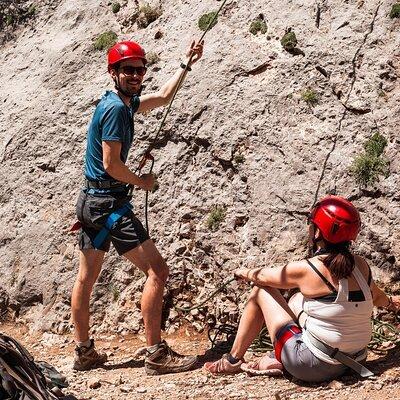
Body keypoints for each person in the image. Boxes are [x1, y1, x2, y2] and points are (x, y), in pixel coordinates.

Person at [71, 39, 204, 374]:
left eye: (139, 69)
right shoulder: (117, 109)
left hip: (91, 201)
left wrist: (186, 62)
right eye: (127, 69)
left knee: (86, 278)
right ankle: (156, 354)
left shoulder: (119, 103)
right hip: (109, 204)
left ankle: (84, 351)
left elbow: (163, 98)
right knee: (157, 271)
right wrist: (141, 181)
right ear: (113, 72)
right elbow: (112, 164)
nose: (134, 75)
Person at [204, 195, 400, 382]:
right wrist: (393, 303)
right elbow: (377, 296)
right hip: (356, 360)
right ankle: (280, 355)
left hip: (312, 366)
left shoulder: (308, 268)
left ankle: (232, 361)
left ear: (317, 232)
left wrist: (243, 271)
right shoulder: (361, 265)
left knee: (260, 291)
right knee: (297, 299)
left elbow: (264, 277)